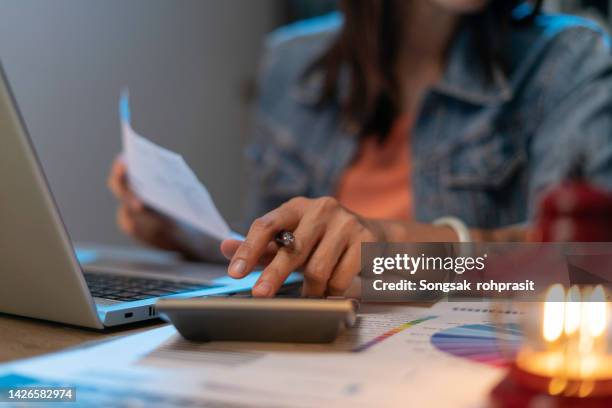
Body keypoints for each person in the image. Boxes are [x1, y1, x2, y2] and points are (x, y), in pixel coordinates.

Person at [109, 0, 612, 298]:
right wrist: (188, 236)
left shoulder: (566, 60)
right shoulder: (291, 62)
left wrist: (392, 242)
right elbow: (277, 256)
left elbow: (584, 262)